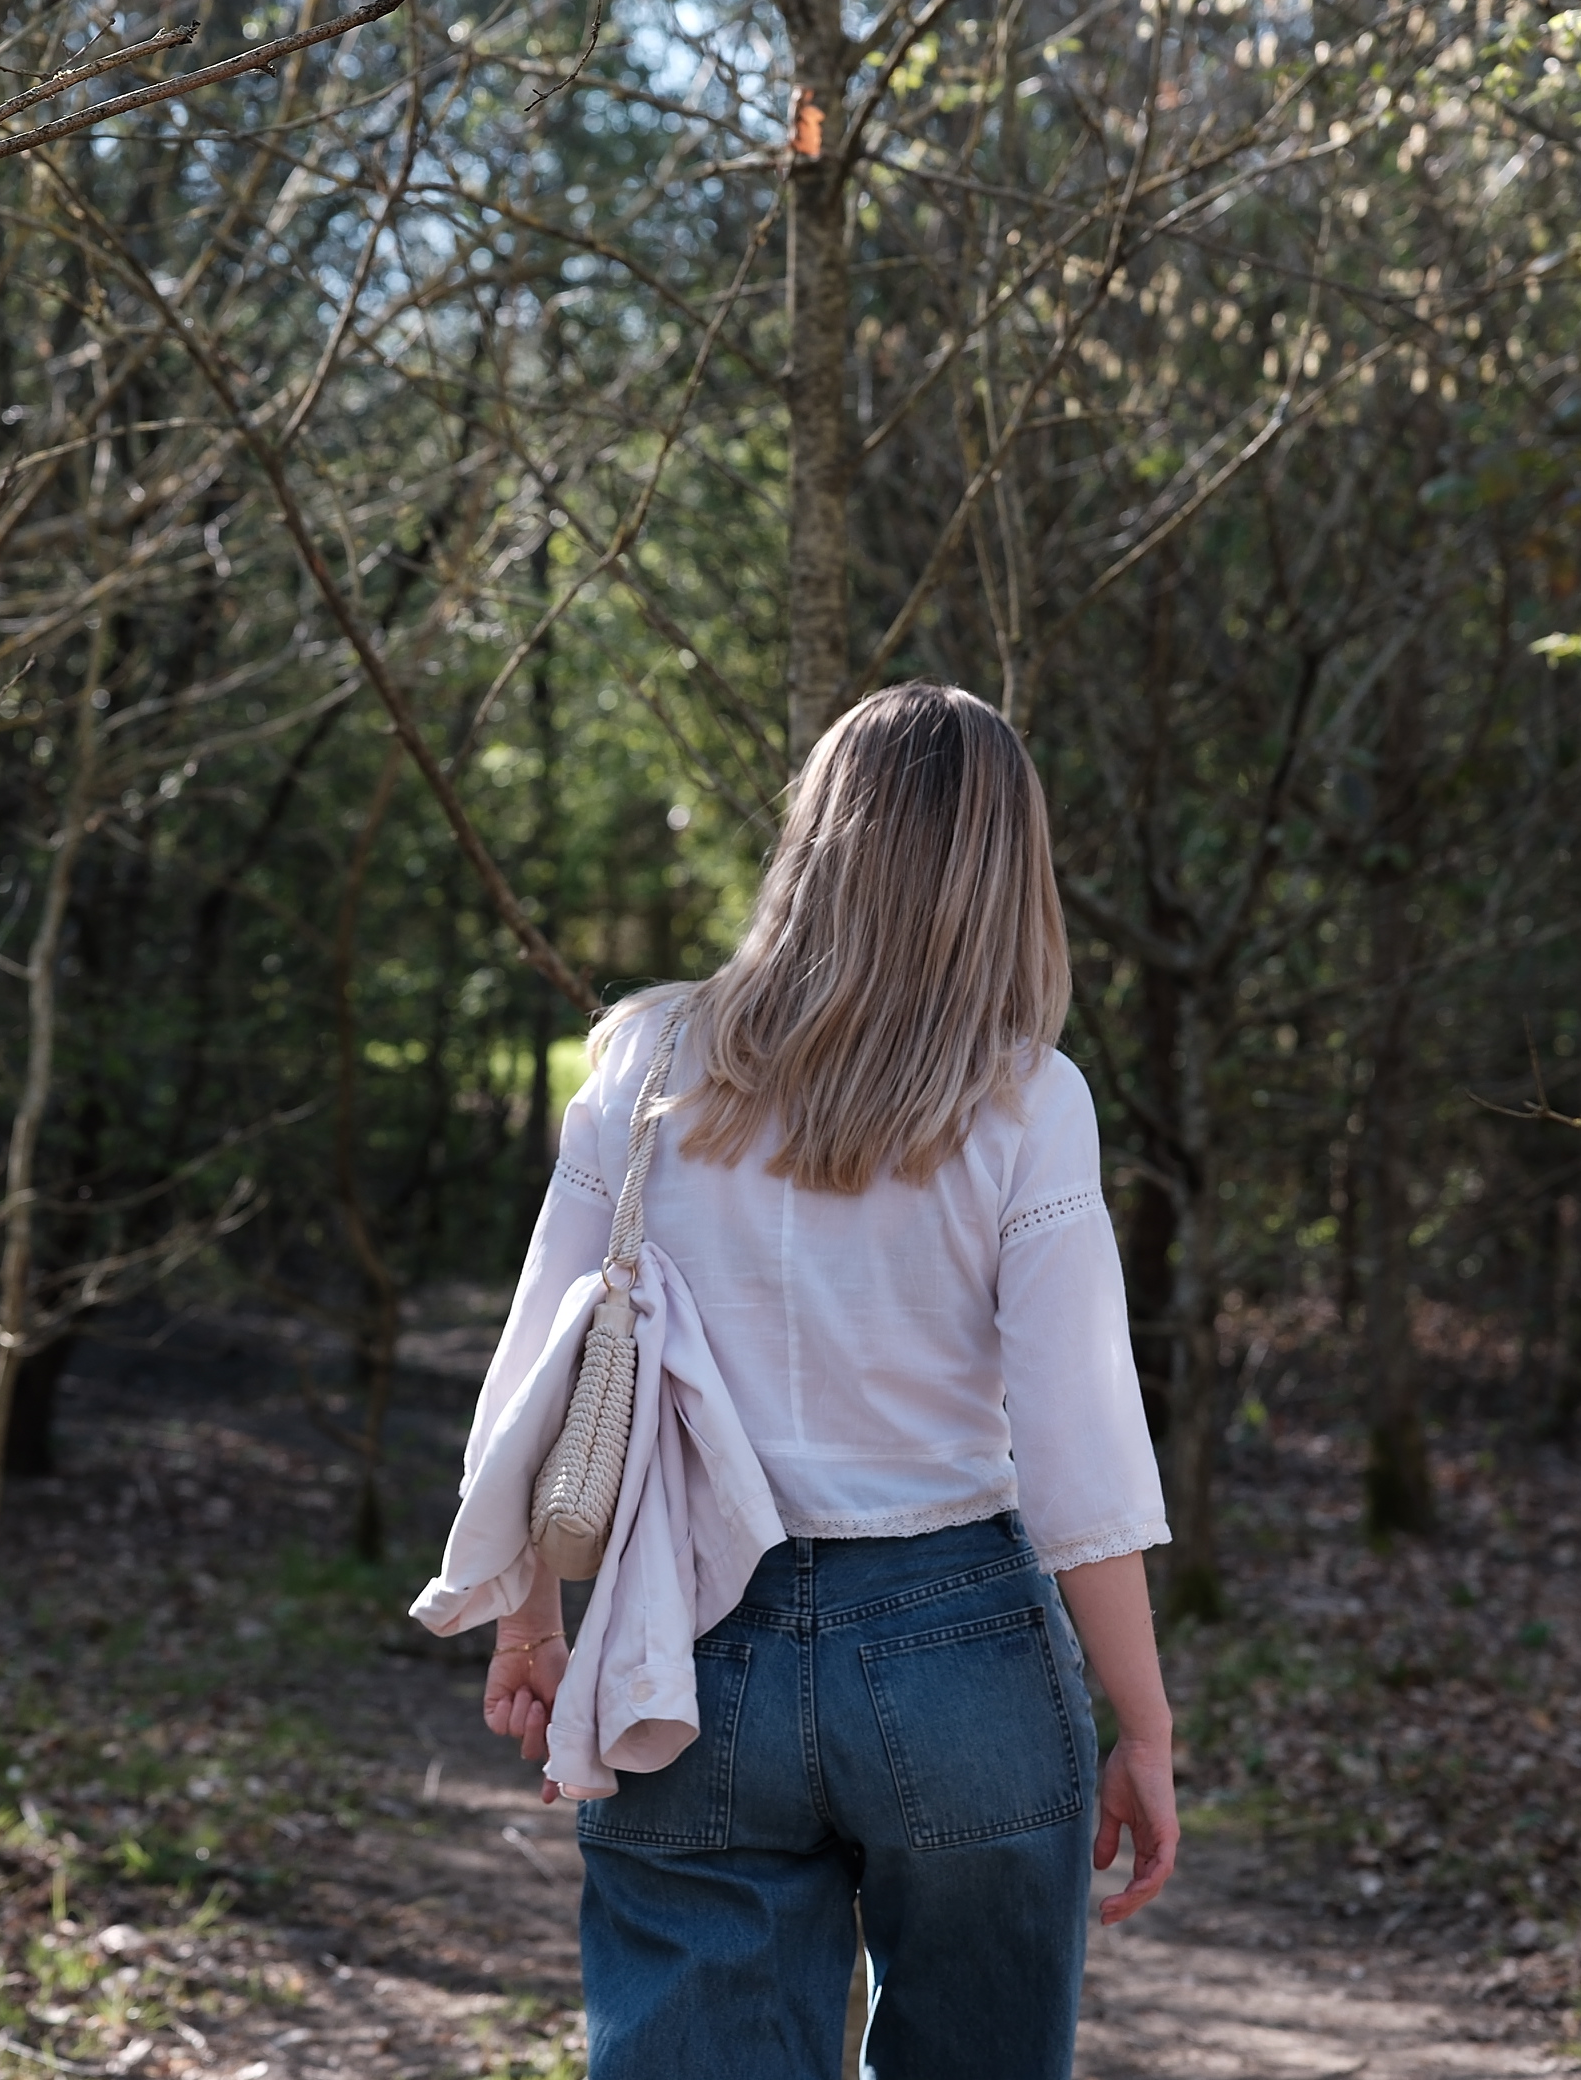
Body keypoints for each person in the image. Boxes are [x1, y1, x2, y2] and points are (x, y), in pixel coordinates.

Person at [458, 681, 1177, 2080]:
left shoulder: (645, 1066)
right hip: (959, 1645)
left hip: (685, 1643)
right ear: (1003, 870)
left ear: (813, 838)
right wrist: (1140, 1722)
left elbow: (538, 1382)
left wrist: (529, 1622)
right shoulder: (1029, 1097)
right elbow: (1080, 1447)